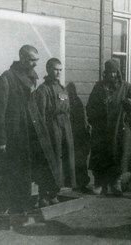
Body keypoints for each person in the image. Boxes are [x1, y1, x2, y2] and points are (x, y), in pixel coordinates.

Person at [0, 45, 39, 214]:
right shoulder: (7, 78)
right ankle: (5, 205)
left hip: (28, 135)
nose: (35, 64)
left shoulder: (32, 77)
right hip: (12, 136)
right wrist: (1, 141)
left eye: (36, 61)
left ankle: (23, 205)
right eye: (32, 60)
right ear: (22, 58)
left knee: (25, 171)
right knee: (9, 172)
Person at [86, 59, 131, 196]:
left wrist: (130, 127)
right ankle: (99, 183)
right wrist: (96, 122)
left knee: (118, 155)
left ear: (118, 73)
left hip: (120, 129)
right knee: (100, 156)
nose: (112, 75)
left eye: (115, 72)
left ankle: (116, 182)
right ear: (105, 73)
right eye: (109, 72)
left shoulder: (126, 88)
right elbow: (90, 107)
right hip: (102, 130)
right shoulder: (99, 88)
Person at [34, 58, 76, 206]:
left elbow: (68, 110)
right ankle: (43, 195)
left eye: (60, 69)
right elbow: (41, 115)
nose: (57, 72)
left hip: (64, 128)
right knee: (49, 161)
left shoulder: (62, 89)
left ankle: (53, 193)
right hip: (51, 129)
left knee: (61, 161)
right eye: (54, 69)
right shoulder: (43, 90)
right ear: (48, 70)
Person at [66, 82, 91, 193]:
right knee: (76, 161)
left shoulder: (77, 102)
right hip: (74, 134)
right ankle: (75, 183)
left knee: (80, 161)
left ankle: (81, 183)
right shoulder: (69, 102)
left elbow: (83, 118)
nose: (72, 92)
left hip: (79, 135)